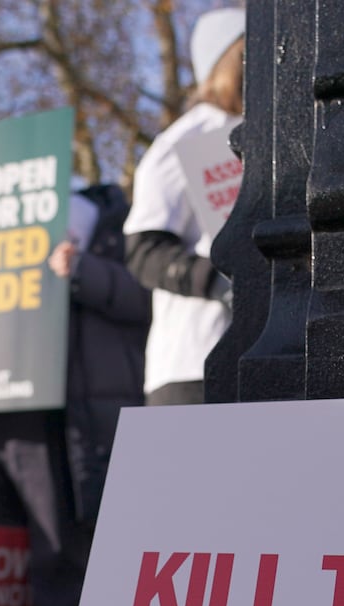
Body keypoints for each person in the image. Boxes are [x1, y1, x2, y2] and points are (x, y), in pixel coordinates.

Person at [0, 183, 150, 606]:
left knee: (97, 524)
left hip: (98, 403)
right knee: (47, 529)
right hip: (24, 401)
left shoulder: (124, 226)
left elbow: (146, 299)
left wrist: (84, 272)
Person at [123, 7, 243, 405]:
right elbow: (144, 251)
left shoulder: (278, 135)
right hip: (195, 363)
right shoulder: (183, 142)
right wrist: (219, 282)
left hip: (265, 352)